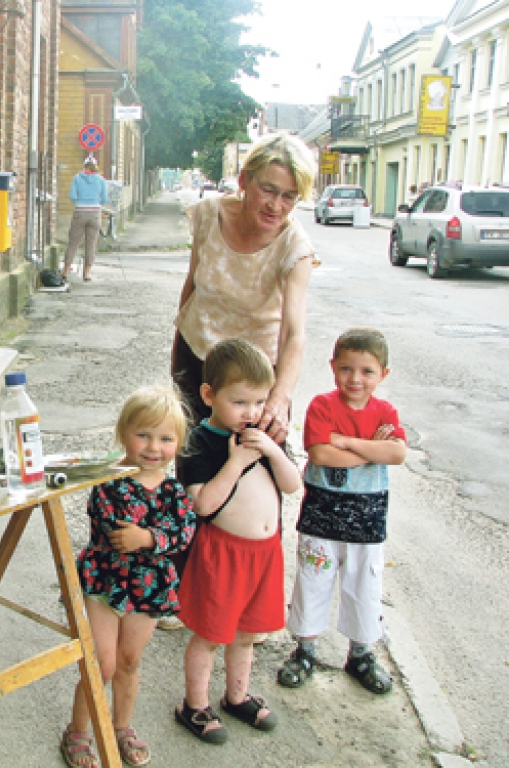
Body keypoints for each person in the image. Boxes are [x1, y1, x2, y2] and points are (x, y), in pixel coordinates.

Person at [174, 339, 301, 745]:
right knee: (211, 634)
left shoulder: (264, 435)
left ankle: (237, 695)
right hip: (221, 553)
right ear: (210, 395)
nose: (252, 412)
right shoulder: (200, 441)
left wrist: (272, 451)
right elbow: (203, 505)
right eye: (241, 402)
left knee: (248, 633)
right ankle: (193, 705)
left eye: (260, 402)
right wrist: (238, 462)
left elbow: (293, 484)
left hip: (265, 553)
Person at [60, 384, 195, 768]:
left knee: (130, 660)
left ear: (178, 443)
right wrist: (150, 538)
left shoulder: (174, 491)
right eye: (143, 435)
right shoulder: (108, 481)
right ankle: (79, 731)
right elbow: (114, 530)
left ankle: (121, 727)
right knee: (100, 662)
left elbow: (185, 532)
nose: (154, 447)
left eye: (165, 438)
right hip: (106, 582)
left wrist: (149, 537)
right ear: (124, 435)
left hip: (150, 590)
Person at [277, 328, 407, 695]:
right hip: (322, 514)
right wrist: (371, 449)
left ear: (383, 374)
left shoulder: (385, 411)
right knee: (313, 581)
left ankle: (361, 654)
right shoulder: (322, 406)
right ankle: (305, 650)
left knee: (364, 585)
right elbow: (320, 454)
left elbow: (396, 453)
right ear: (333, 367)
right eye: (347, 368)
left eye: (367, 371)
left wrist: (348, 442)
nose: (356, 379)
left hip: (367, 518)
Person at [172, 133, 318, 446]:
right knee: (194, 473)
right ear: (244, 180)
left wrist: (279, 399)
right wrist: (177, 359)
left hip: (255, 379)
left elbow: (294, 333)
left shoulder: (295, 248)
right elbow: (192, 286)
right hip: (197, 359)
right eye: (268, 189)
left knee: (254, 479)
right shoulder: (209, 215)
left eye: (289, 197)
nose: (276, 206)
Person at [61, 157, 109, 282]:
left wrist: (79, 202)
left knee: (73, 243)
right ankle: (86, 274)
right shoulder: (101, 180)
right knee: (91, 244)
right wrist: (96, 203)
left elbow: (72, 196)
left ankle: (66, 271)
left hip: (80, 212)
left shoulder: (77, 178)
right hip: (95, 213)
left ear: (84, 166)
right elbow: (105, 199)